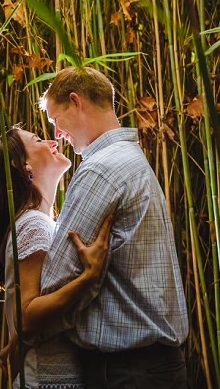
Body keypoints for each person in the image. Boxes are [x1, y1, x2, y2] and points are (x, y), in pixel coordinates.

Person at [38, 66, 189, 389]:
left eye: (55, 121)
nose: (56, 134)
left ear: (76, 102)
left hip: (127, 371)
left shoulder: (100, 169)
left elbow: (54, 281)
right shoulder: (131, 158)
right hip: (154, 366)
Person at [0, 126, 114, 389]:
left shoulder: (36, 222)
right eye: (38, 140)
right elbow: (27, 318)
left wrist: (17, 341)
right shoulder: (33, 225)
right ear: (21, 166)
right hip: (47, 378)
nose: (53, 141)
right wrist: (89, 277)